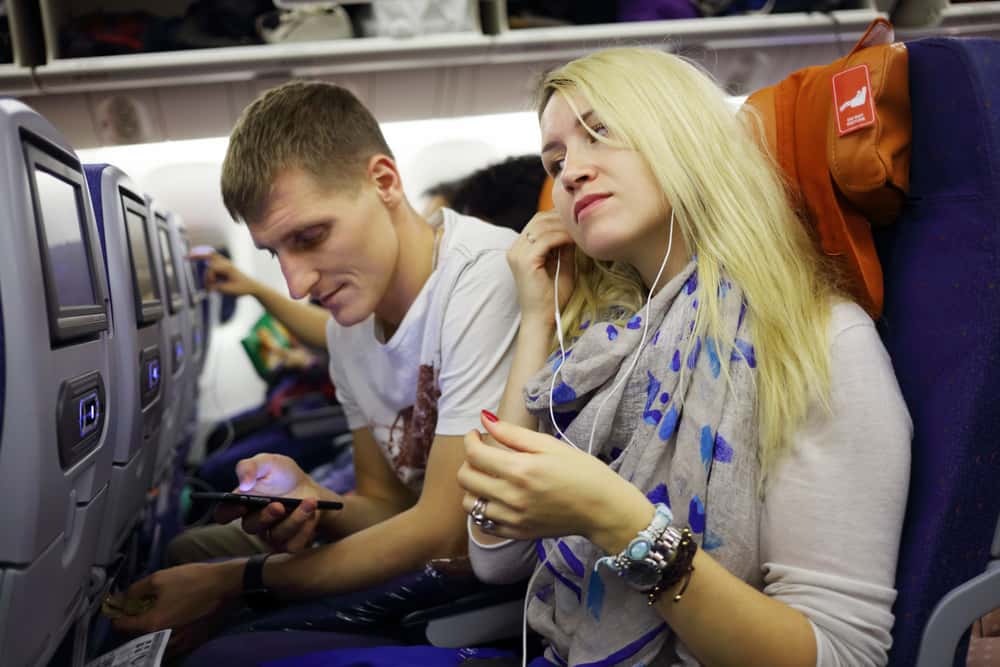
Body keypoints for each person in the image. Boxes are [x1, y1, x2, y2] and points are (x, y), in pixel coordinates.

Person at [456, 47, 910, 666]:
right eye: (555, 162)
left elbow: (841, 655)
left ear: (684, 136)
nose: (570, 173)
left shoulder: (817, 341)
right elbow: (495, 553)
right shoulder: (605, 348)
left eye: (600, 132)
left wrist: (618, 521)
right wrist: (537, 316)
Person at [113, 80, 521, 656]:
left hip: (487, 583)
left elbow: (444, 531)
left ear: (384, 182)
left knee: (220, 647)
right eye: (274, 252)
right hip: (430, 561)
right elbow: (388, 505)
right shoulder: (348, 331)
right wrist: (314, 503)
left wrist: (237, 579)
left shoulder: (481, 277)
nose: (296, 283)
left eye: (310, 237)